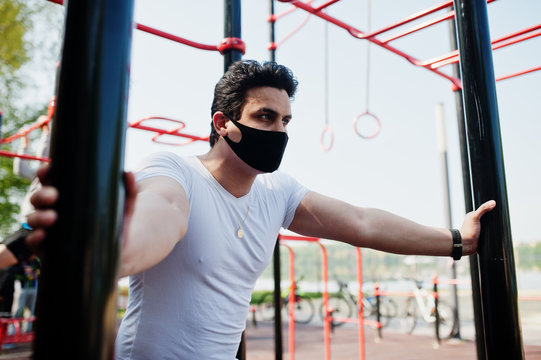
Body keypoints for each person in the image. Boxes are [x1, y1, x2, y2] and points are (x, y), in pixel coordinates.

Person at [26, 60, 496, 359]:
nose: (279, 131)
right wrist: (102, 247)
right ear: (223, 123)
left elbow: (360, 222)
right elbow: (160, 220)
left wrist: (457, 241)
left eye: (286, 120)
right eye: (265, 118)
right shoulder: (174, 170)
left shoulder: (278, 190)